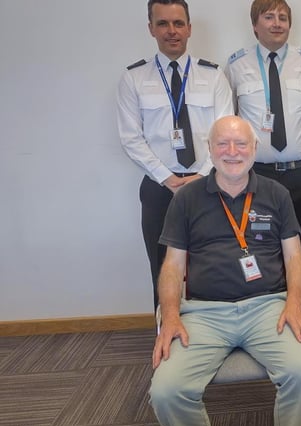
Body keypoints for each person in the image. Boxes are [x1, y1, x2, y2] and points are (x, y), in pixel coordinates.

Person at [149, 116, 301, 426]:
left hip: (267, 307)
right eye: (222, 143)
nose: (232, 151)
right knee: (166, 391)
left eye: (241, 143)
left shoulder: (277, 194)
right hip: (203, 313)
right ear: (210, 149)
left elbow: (295, 257)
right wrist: (170, 316)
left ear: (254, 149)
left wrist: (294, 303)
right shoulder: (186, 198)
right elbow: (172, 266)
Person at [117, 0, 234, 309]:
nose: (172, 31)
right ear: (151, 29)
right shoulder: (134, 78)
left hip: (208, 185)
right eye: (163, 24)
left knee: (210, 263)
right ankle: (165, 335)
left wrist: (203, 175)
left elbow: (226, 134)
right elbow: (131, 138)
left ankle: (209, 332)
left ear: (190, 28)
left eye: (178, 23)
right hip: (158, 187)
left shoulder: (214, 76)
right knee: (162, 265)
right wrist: (167, 178)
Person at [224, 0, 301, 293]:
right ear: (254, 25)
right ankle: (264, 310)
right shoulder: (236, 65)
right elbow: (227, 118)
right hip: (256, 174)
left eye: (282, 17)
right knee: (256, 242)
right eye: (269, 17)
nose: (276, 23)